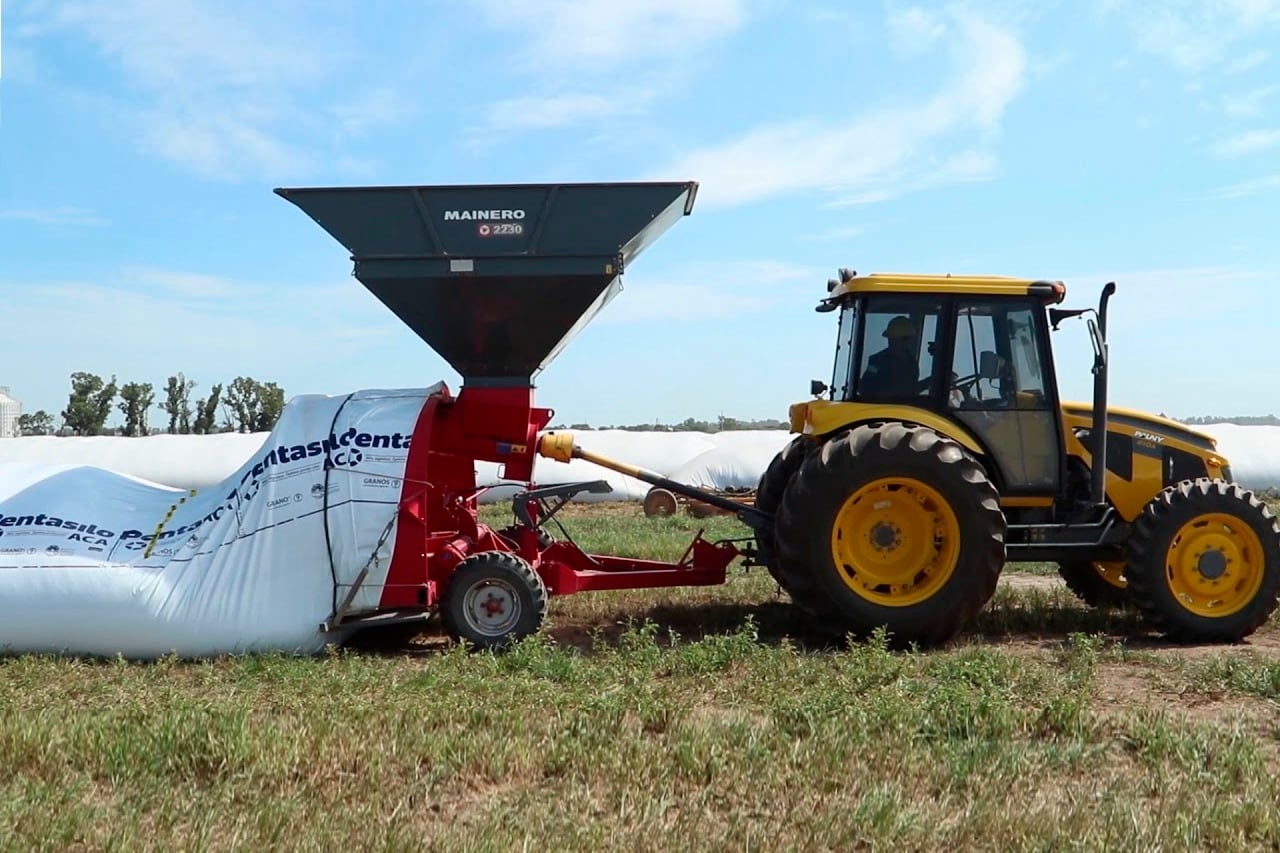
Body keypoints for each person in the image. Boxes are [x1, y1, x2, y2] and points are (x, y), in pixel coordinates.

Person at [861, 315, 927, 396]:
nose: (891, 343)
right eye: (891, 339)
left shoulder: (912, 364)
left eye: (895, 340)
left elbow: (911, 390)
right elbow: (866, 387)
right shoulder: (876, 362)